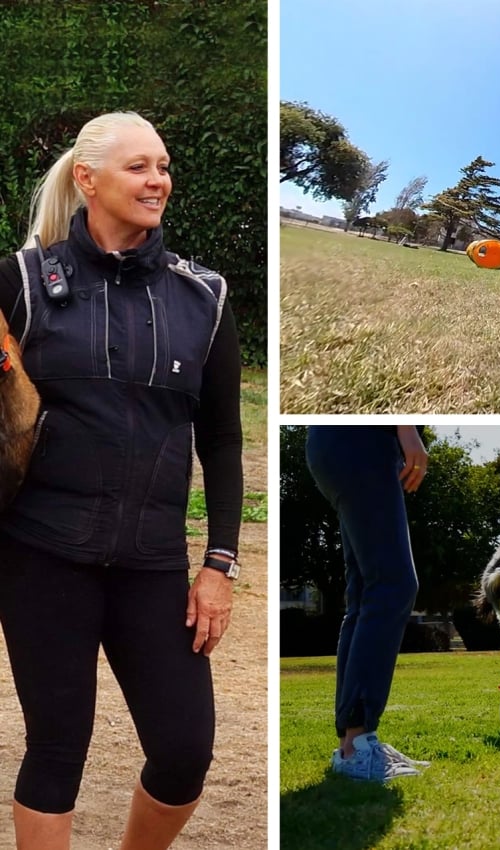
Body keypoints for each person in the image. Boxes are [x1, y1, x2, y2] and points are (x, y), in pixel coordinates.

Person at [0, 112, 243, 849]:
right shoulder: (19, 283)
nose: (159, 180)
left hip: (153, 565)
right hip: (41, 555)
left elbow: (224, 439)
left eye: (163, 166)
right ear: (88, 179)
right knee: (57, 750)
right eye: (139, 166)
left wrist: (219, 565)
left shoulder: (204, 296)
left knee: (183, 752)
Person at [305, 425, 431, 782]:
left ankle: (352, 745)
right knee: (393, 584)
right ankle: (357, 744)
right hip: (362, 440)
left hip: (341, 444)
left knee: (365, 594)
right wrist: (407, 430)